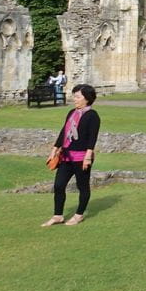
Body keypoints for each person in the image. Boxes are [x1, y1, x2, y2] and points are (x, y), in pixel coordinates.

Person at [42, 84, 101, 227]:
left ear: (86, 99)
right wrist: (54, 149)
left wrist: (88, 156)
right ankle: (58, 216)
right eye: (74, 96)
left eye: (77, 96)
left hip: (82, 158)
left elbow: (92, 138)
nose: (74, 99)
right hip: (66, 156)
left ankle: (79, 215)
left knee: (83, 187)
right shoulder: (71, 113)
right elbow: (64, 132)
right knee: (59, 185)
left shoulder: (92, 116)